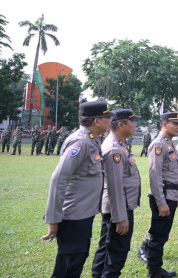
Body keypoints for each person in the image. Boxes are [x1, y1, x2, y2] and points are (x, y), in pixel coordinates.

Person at [42, 100, 114, 278]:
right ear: (96, 121)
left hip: (83, 214)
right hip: (73, 216)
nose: (110, 122)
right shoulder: (80, 142)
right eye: (107, 118)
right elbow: (58, 179)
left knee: (77, 260)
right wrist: (53, 220)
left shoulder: (93, 140)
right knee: (68, 266)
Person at [91, 109, 142, 278]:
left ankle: (98, 274)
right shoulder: (114, 148)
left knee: (107, 247)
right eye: (132, 122)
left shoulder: (119, 144)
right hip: (119, 207)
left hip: (119, 205)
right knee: (117, 251)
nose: (136, 125)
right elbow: (115, 186)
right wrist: (121, 217)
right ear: (121, 124)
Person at [143, 111, 178, 278]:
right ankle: (153, 271)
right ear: (164, 124)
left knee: (163, 234)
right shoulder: (158, 144)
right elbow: (155, 175)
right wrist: (161, 202)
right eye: (174, 124)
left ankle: (156, 268)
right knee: (158, 235)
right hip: (163, 196)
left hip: (171, 195)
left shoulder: (169, 143)